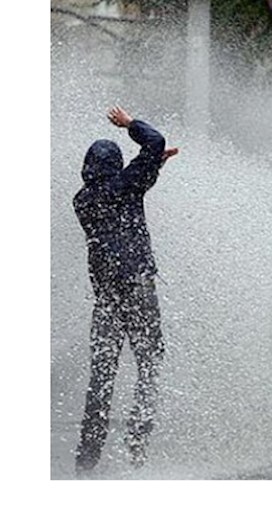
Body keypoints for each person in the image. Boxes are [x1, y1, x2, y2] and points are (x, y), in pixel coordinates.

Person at [73, 106, 178, 474]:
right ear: (117, 165)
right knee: (148, 366)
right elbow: (155, 143)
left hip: (106, 300)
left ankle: (86, 463)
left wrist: (152, 167)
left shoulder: (82, 201)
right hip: (138, 289)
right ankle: (137, 450)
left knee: (101, 378)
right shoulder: (125, 185)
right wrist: (130, 124)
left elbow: (130, 188)